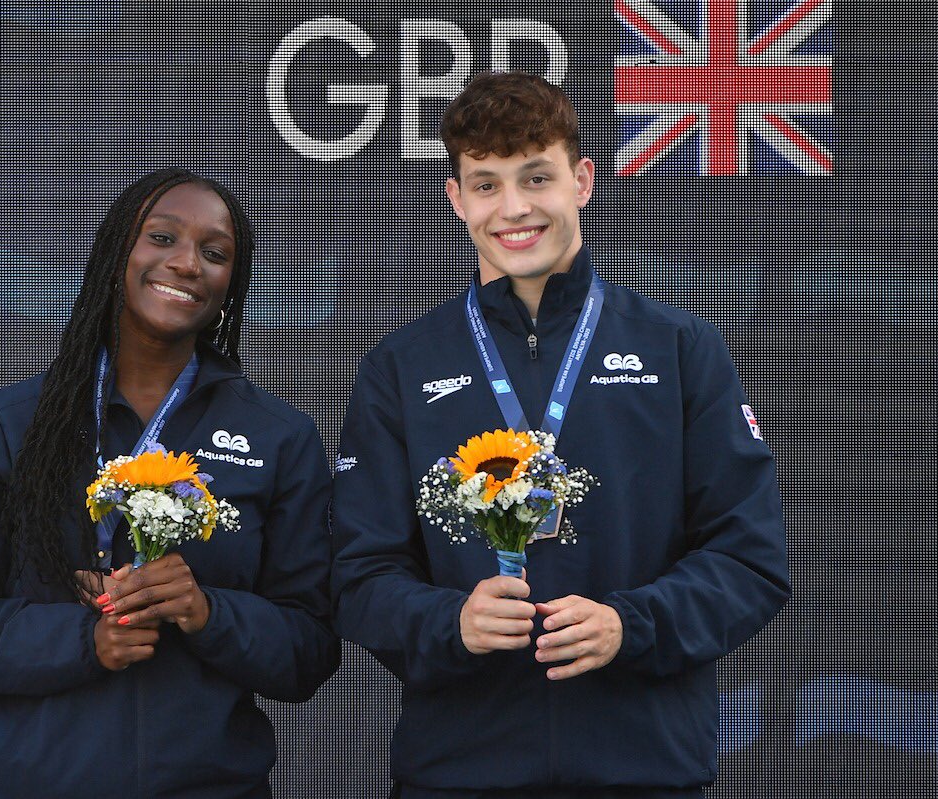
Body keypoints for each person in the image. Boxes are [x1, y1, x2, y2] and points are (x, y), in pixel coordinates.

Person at [330, 72, 790, 798]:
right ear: (456, 199)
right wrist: (452, 621)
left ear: (582, 181)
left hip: (643, 771)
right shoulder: (402, 366)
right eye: (486, 184)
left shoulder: (679, 347)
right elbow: (359, 575)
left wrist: (630, 625)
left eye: (536, 177)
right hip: (458, 774)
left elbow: (749, 559)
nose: (514, 208)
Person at [0, 168, 339, 798]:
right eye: (162, 238)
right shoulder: (14, 421)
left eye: (215, 253)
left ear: (230, 284)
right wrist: (83, 640)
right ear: (116, 254)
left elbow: (311, 651)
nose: (187, 263)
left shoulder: (278, 436)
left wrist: (206, 611)